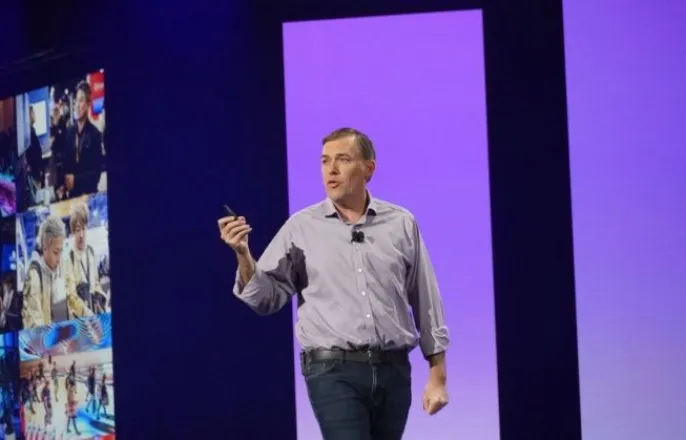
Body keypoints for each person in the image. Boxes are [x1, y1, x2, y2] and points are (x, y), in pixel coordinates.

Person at [218, 127, 449, 440]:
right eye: (325, 161)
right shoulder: (301, 228)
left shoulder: (401, 223)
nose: (332, 169)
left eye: (343, 159)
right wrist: (244, 255)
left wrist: (438, 375)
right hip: (332, 371)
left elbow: (426, 297)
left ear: (369, 168)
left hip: (393, 370)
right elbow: (264, 299)